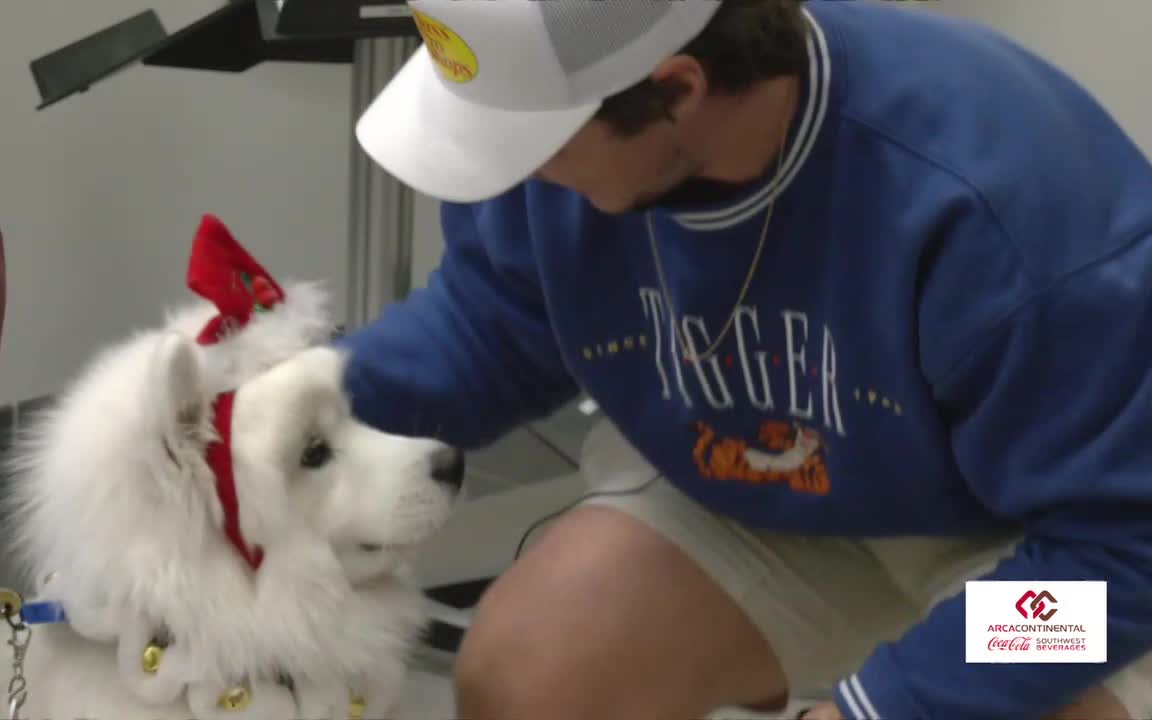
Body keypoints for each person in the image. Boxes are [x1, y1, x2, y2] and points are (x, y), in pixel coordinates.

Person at [334, 0, 1152, 718]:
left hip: (1043, 560)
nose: (515, 173)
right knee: (528, 677)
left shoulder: (1002, 204)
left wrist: (893, 704)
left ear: (678, 90)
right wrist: (292, 403)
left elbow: (1119, 557)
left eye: (533, 143)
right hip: (776, 502)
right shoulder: (582, 147)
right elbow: (494, 327)